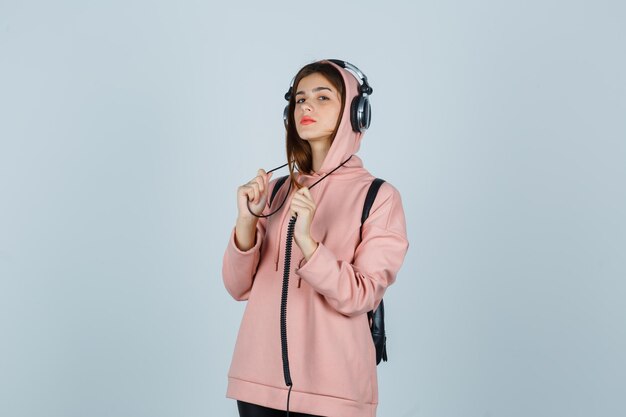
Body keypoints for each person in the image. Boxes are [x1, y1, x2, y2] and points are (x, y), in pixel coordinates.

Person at [222, 59, 409, 417]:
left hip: (334, 395)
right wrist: (246, 221)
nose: (306, 106)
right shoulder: (275, 192)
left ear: (356, 114)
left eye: (323, 97)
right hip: (257, 386)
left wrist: (309, 243)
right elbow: (237, 287)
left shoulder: (379, 197)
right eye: (299, 99)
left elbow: (363, 294)